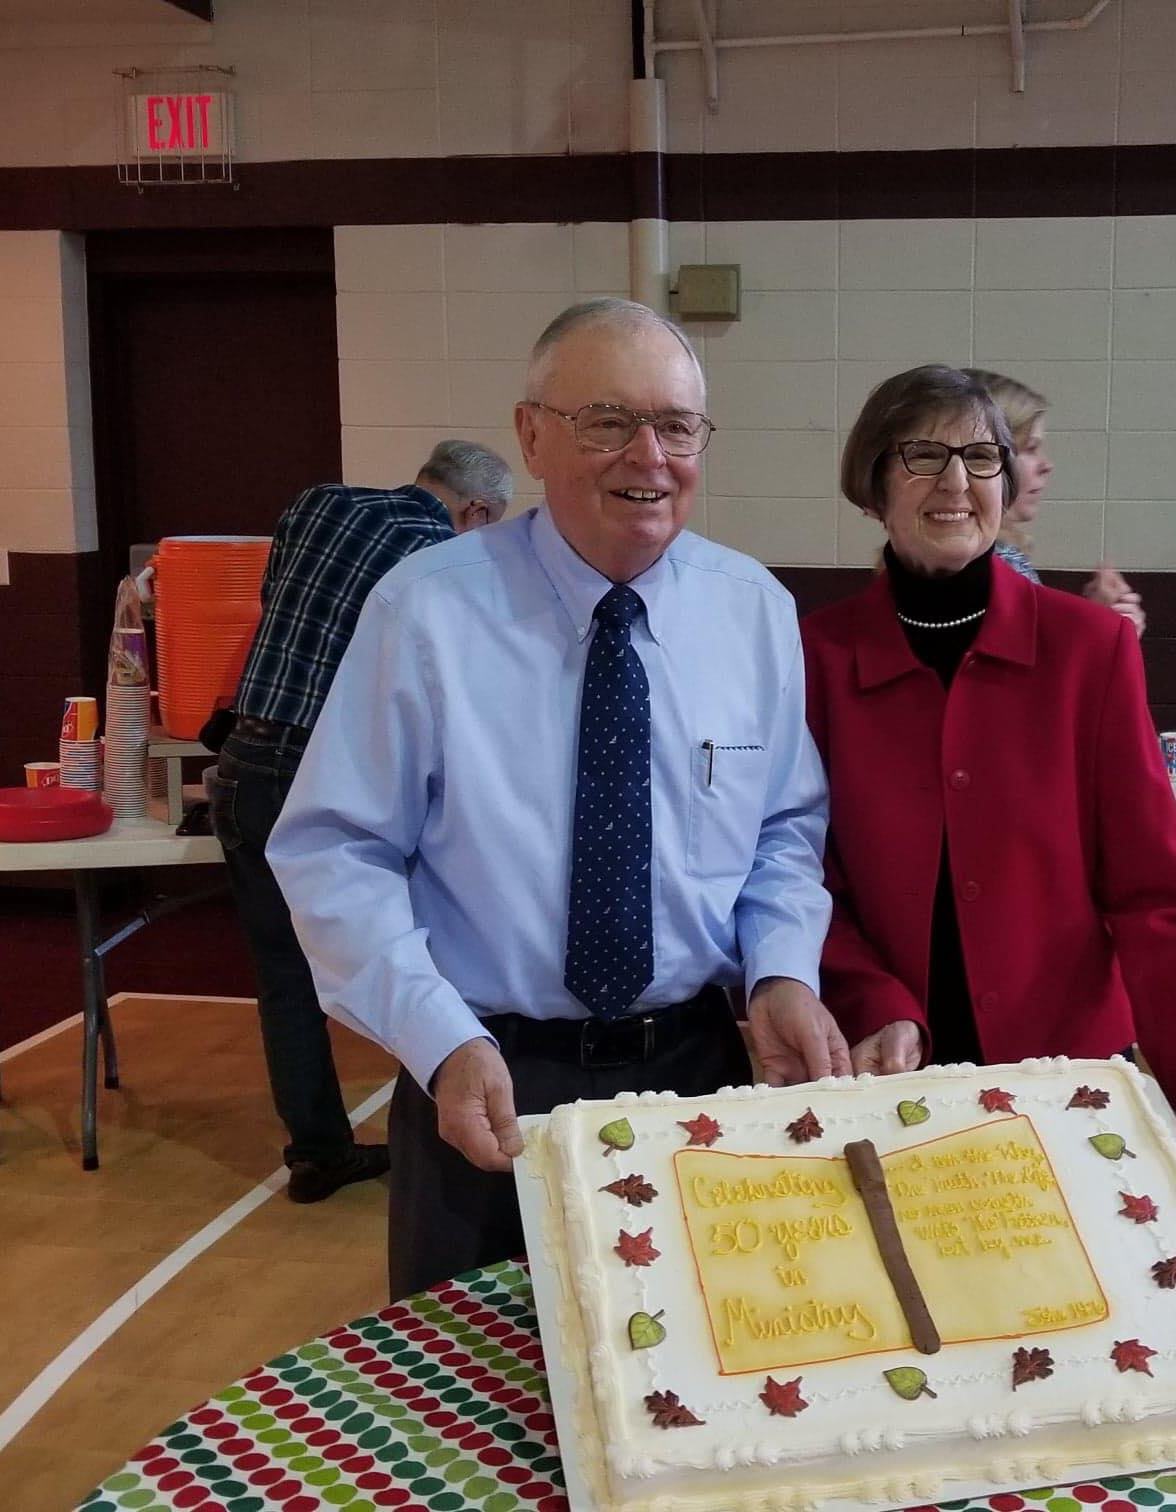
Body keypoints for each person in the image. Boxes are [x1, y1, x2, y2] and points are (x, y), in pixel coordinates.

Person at [267, 298, 849, 1300]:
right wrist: (436, 1036)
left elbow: (783, 835)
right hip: (485, 1078)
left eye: (676, 426)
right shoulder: (429, 610)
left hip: (695, 1078)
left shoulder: (752, 611)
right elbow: (335, 852)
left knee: (695, 1382)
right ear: (533, 434)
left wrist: (781, 974)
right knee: (469, 1402)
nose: (649, 456)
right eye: (607, 421)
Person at [804, 365, 1176, 1153]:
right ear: (871, 487)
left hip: (1063, 1070)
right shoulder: (816, 658)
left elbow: (1153, 887)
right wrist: (872, 998)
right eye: (922, 456)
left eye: (981, 459)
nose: (956, 481)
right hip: (884, 1067)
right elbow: (802, 875)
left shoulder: (1090, 649)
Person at [207, 441, 514, 1204]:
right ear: (474, 511)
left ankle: (317, 1151)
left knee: (284, 977)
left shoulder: (315, 504)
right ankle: (453, 1117)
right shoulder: (440, 562)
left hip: (244, 762)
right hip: (326, 773)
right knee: (418, 956)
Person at [964, 369, 1146, 637]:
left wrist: (1094, 618)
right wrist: (1105, 632)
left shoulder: (996, 556)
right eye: (1030, 448)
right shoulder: (994, 565)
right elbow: (1034, 673)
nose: (1047, 465)